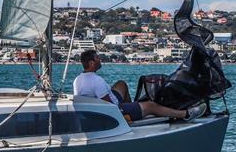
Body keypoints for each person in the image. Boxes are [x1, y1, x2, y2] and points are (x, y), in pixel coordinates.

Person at [73, 49, 206, 122]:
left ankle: (136, 110)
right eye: (97, 58)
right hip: (116, 110)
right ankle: (185, 114)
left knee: (121, 84)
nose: (99, 60)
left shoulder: (78, 80)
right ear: (91, 63)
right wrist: (123, 115)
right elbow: (110, 107)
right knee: (150, 105)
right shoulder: (97, 81)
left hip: (97, 108)